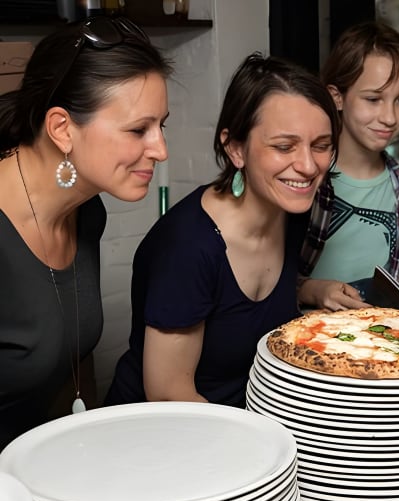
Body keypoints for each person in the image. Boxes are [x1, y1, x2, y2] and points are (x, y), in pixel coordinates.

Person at [104, 52, 340, 409]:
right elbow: (169, 395)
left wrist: (311, 289)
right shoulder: (188, 247)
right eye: (284, 146)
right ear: (236, 149)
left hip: (248, 421)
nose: (308, 166)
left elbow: (234, 306)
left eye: (321, 146)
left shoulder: (291, 209)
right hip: (171, 438)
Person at [0, 15, 172, 449]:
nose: (161, 150)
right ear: (62, 128)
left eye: (161, 125)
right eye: (138, 130)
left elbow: (67, 367)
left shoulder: (86, 211)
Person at [298, 21, 399, 311]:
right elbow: (260, 283)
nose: (390, 117)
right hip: (303, 340)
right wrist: (310, 290)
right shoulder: (303, 177)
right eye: (373, 99)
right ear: (337, 97)